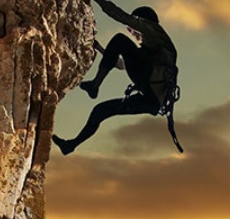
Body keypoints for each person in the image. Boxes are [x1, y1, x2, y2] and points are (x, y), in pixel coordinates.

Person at [52, 1, 179, 155]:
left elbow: (120, 16)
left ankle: (95, 84)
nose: (131, 32)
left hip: (149, 88)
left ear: (142, 21)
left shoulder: (152, 30)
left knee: (120, 40)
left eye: (133, 28)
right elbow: (121, 65)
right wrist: (98, 48)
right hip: (150, 101)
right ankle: (70, 145)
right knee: (100, 110)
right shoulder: (153, 47)